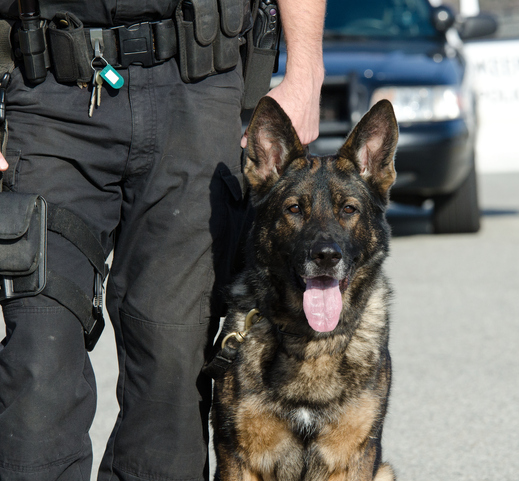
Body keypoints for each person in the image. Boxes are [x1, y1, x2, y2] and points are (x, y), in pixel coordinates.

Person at [0, 0, 325, 479]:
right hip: (48, 92)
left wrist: (306, 69)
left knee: (173, 369)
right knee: (38, 361)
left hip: (198, 89)